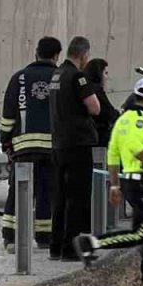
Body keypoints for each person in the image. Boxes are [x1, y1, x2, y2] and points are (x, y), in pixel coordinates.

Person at [74, 78, 143, 286]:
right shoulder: (140, 120)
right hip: (141, 184)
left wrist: (115, 186)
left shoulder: (123, 119)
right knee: (141, 233)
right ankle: (92, 243)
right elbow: (134, 145)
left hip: (131, 183)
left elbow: (112, 154)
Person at [0, 37, 61, 252]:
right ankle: (44, 237)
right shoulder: (60, 77)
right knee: (47, 192)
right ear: (56, 55)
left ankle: (11, 238)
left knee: (18, 192)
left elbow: (8, 115)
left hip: (24, 149)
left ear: (36, 52)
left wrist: (5, 140)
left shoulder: (19, 78)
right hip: (52, 149)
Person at [48, 36, 103, 261]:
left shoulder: (56, 74)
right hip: (77, 144)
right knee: (77, 199)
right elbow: (95, 107)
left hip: (58, 144)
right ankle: (71, 250)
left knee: (60, 198)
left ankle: (56, 247)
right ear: (83, 55)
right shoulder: (77, 76)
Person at [84, 58, 121, 147]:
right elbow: (109, 113)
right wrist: (119, 112)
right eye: (105, 73)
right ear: (98, 74)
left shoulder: (85, 88)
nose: (107, 77)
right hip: (98, 138)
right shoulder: (97, 91)